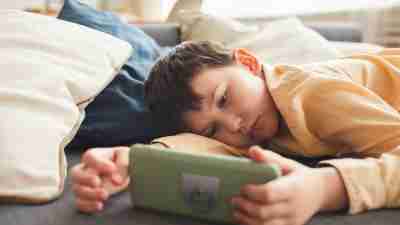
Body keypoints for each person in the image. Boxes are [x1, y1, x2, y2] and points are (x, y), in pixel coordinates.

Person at [70, 41, 400, 225]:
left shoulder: (313, 95)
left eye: (224, 98)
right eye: (213, 129)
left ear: (247, 62)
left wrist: (326, 188)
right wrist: (130, 163)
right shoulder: (252, 124)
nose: (234, 126)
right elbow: (204, 146)